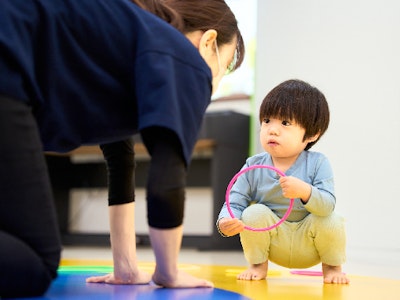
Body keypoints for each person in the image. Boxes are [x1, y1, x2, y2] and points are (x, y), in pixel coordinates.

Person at [0, 0, 244, 297]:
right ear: (209, 43)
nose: (216, 83)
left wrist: (125, 266)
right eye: (225, 65)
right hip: (8, 68)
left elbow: (120, 157)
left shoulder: (126, 40)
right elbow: (165, 182)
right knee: (35, 261)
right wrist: (168, 272)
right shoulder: (185, 59)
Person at [216, 79, 349, 284]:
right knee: (254, 212)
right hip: (274, 241)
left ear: (312, 134)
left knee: (331, 219)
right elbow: (235, 200)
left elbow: (328, 204)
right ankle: (257, 265)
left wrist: (305, 191)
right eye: (267, 121)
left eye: (285, 123)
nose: (272, 130)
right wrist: (225, 221)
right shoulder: (253, 165)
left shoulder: (318, 162)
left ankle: (332, 267)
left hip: (309, 243)